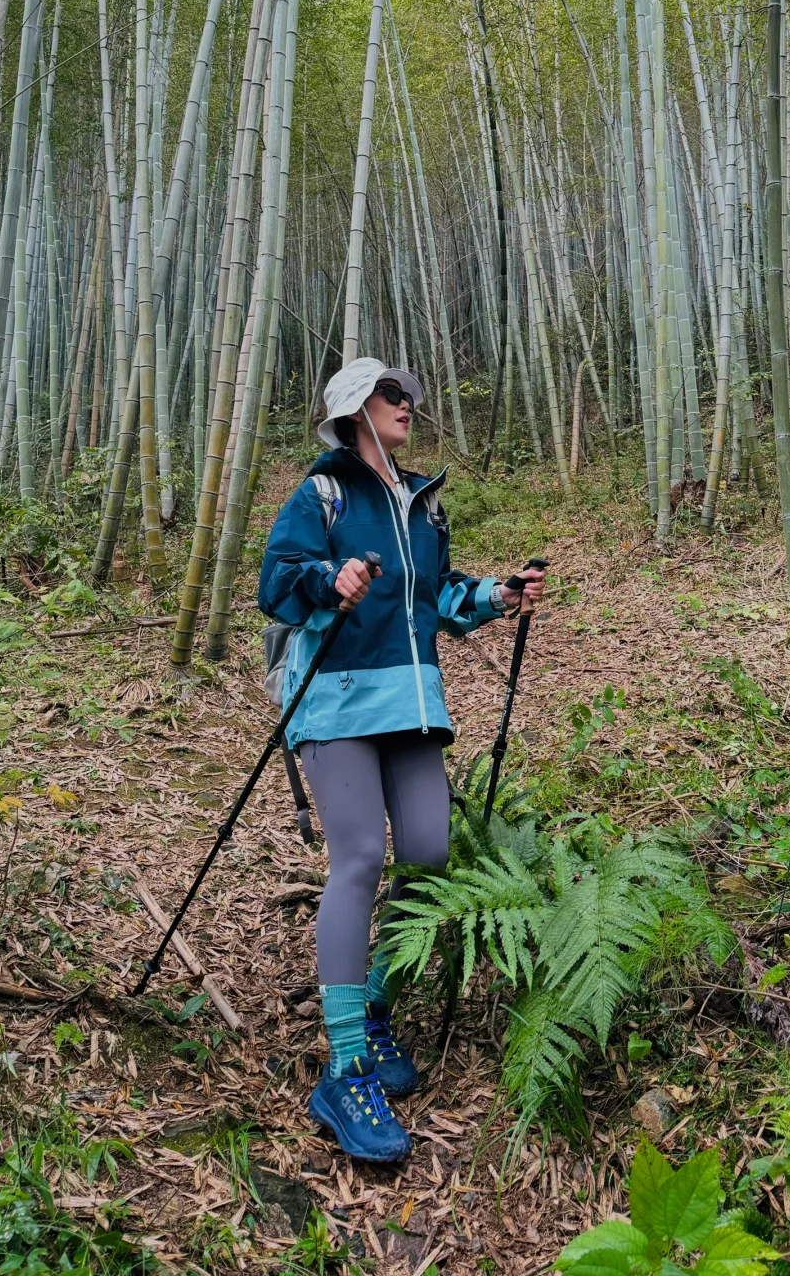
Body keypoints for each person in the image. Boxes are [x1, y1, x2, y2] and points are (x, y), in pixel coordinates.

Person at [258, 357, 546, 1162]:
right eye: (392, 394)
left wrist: (496, 595)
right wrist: (328, 576)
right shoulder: (323, 494)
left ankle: (374, 1003)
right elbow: (277, 583)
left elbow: (437, 600)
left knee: (427, 853)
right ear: (354, 408)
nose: (407, 404)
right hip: (339, 700)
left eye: (410, 393)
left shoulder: (424, 505)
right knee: (357, 857)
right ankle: (343, 1063)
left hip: (413, 703)